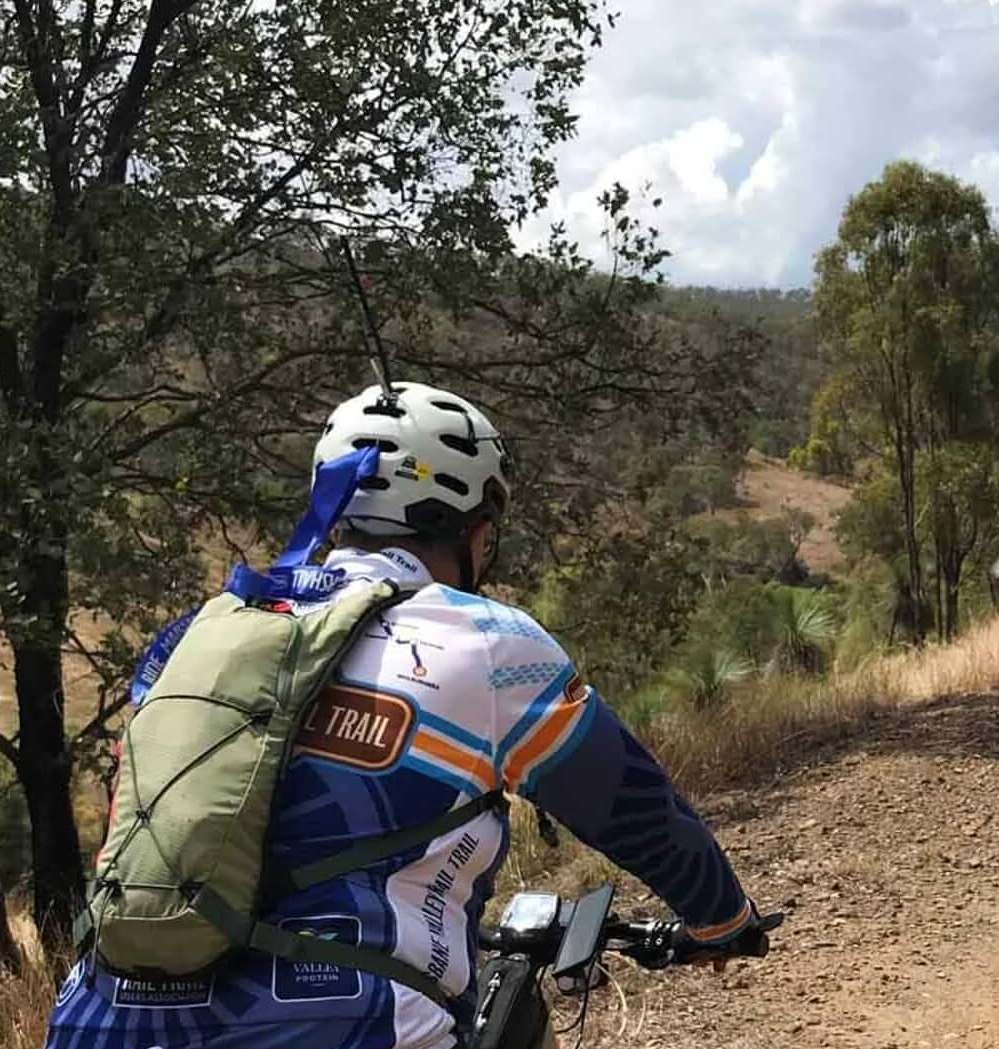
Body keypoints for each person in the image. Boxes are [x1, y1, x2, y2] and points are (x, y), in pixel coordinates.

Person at [48, 381, 766, 1049]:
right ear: (475, 531)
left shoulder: (193, 636)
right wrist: (724, 919)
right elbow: (638, 811)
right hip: (341, 1021)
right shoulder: (488, 642)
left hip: (99, 1014)